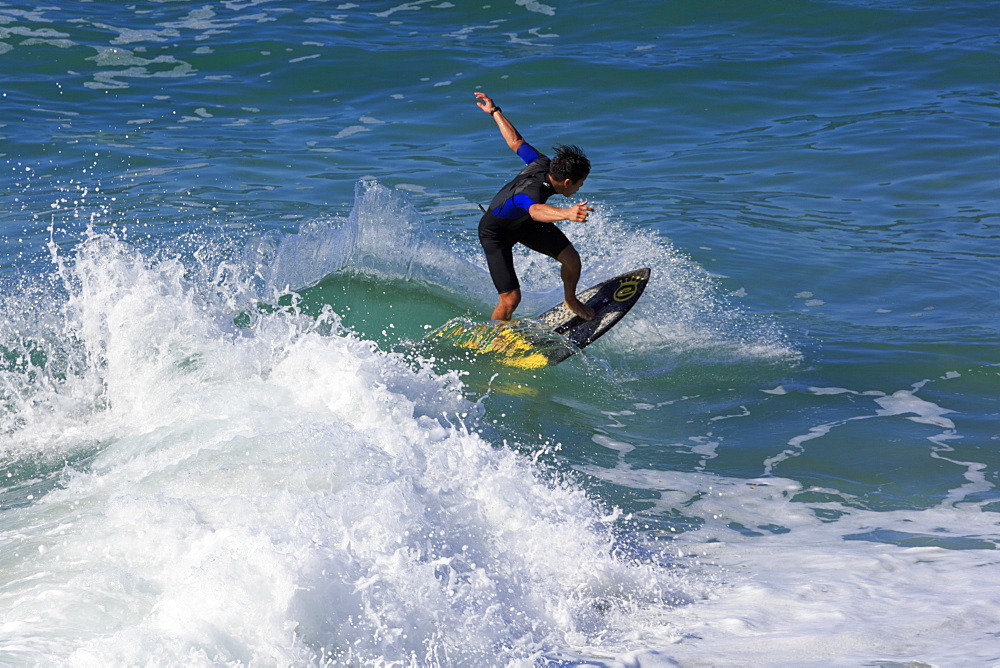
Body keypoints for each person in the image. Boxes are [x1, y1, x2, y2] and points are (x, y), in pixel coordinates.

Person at [474, 91, 595, 322]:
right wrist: (567, 213)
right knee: (510, 300)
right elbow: (535, 211)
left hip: (524, 224)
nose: (580, 188)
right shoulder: (531, 193)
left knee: (572, 260)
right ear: (567, 182)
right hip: (495, 233)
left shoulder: (542, 163)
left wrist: (495, 112)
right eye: (580, 183)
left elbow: (515, 142)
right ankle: (493, 338)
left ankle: (570, 300)